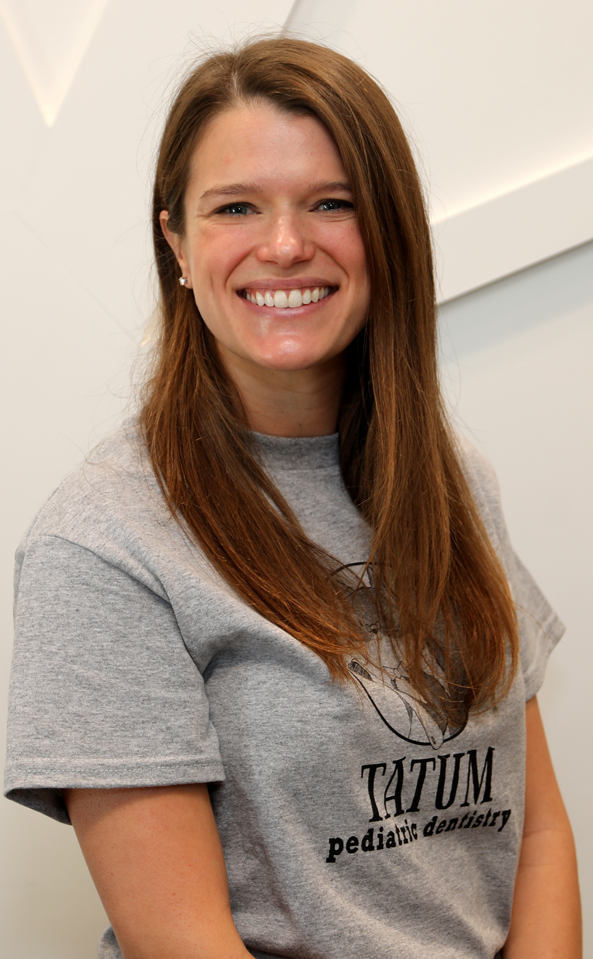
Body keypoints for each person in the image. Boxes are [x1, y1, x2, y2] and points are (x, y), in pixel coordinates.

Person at [4, 36, 581, 959]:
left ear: (386, 233)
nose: (284, 244)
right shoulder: (103, 542)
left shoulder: (454, 480)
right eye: (236, 206)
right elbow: (181, 942)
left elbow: (536, 842)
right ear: (177, 245)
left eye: (330, 203)